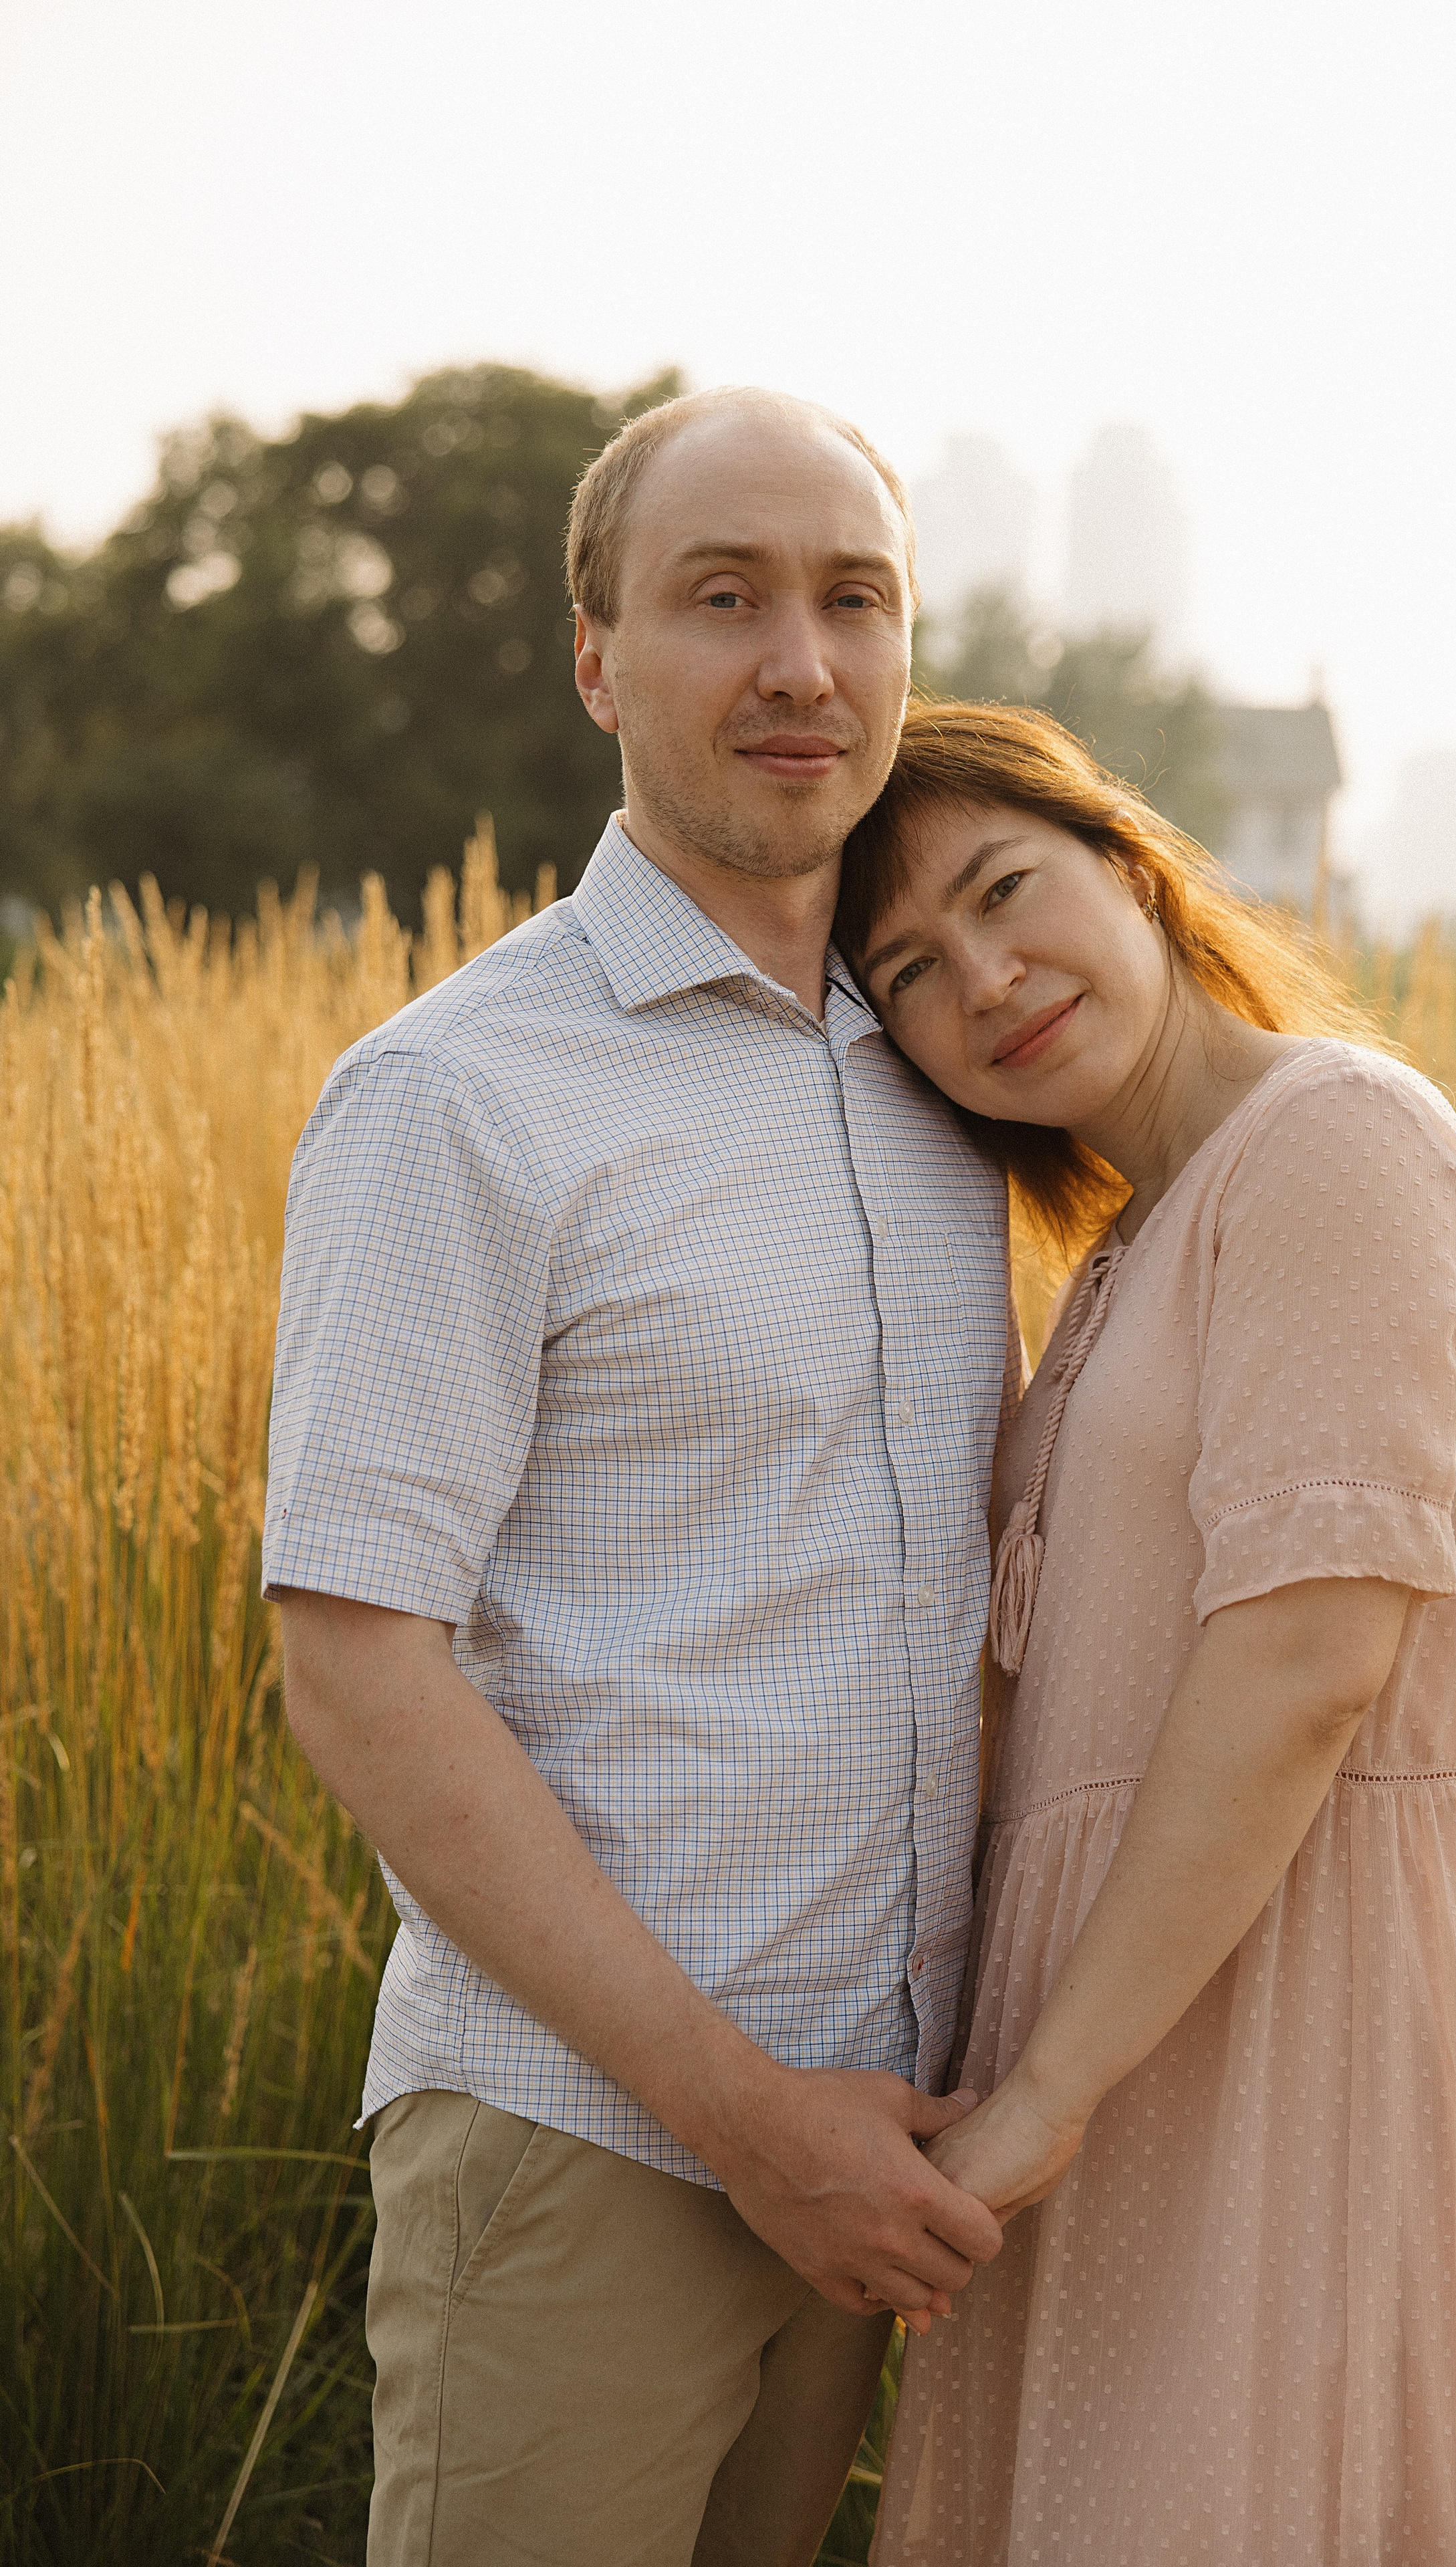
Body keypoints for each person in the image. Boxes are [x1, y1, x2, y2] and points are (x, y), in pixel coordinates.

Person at [263, 390, 1014, 2567]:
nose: (801, 660)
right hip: (588, 2146)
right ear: (595, 657)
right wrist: (738, 2116)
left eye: (851, 599)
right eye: (725, 599)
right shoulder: (455, 1099)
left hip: (878, 2161)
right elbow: (358, 1667)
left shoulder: (948, 1069)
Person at [834, 701, 1456, 2565]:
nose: (985, 980)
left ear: (1136, 864)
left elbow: (1304, 1662)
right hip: (1138, 2044)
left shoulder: (1327, 1141)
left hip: (1286, 2045)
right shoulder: (1141, 1229)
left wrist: (1047, 2100)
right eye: (912, 970)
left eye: (1009, 890)